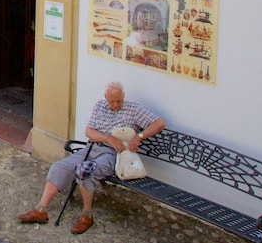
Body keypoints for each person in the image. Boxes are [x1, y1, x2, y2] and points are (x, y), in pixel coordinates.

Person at [16, 81, 165, 234]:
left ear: (123, 97)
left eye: (119, 100)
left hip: (113, 154)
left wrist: (139, 137)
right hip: (91, 148)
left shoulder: (133, 109)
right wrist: (109, 138)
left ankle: (87, 215)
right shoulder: (100, 106)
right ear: (105, 97)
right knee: (59, 166)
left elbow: (159, 123)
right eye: (112, 101)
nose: (115, 104)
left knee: (85, 171)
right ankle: (41, 209)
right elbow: (89, 131)